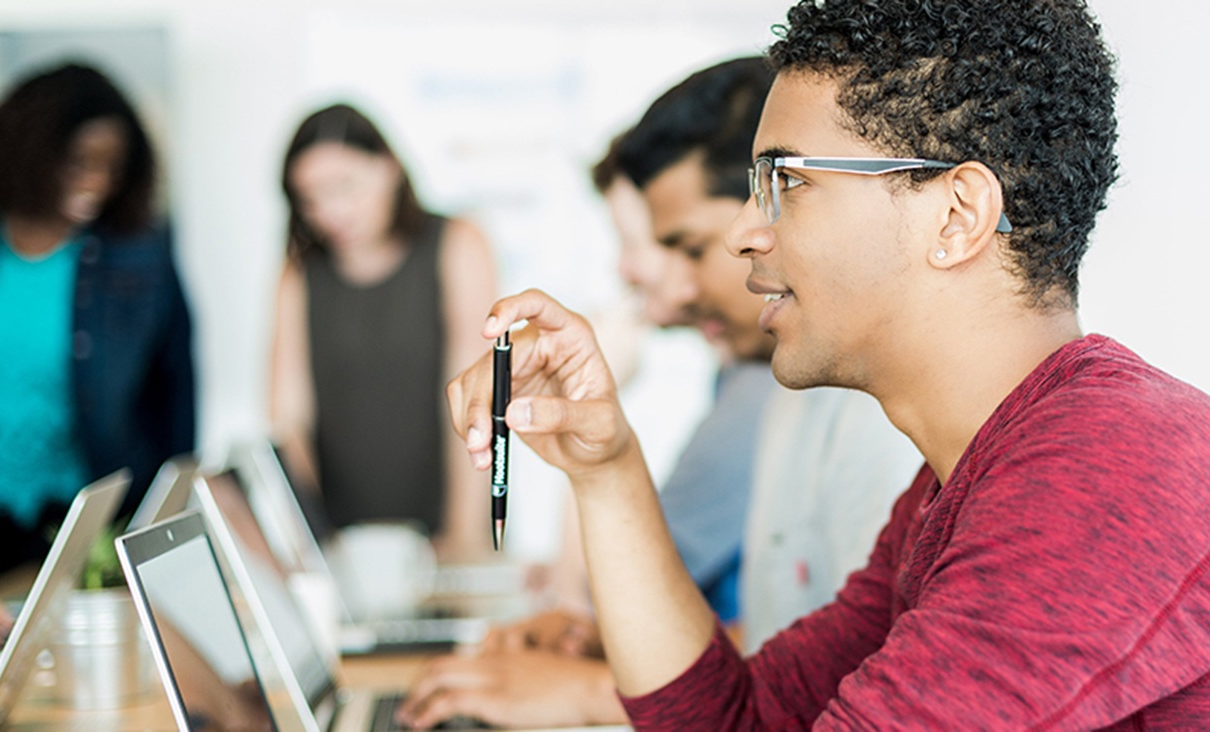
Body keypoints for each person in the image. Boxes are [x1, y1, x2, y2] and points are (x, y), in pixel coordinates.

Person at [432, 0, 1210, 727]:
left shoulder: (1106, 470)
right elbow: (738, 720)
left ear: (956, 215)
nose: (743, 232)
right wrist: (605, 465)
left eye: (787, 182)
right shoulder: (952, 491)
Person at [397, 57, 920, 729]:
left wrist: (584, 690)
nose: (663, 287)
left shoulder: (875, 418)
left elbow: (829, 685)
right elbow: (776, 672)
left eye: (686, 248)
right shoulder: (784, 384)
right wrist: (599, 464)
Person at [0, 62, 195, 579]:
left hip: (82, 531)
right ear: (31, 153)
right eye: (79, 163)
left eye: (112, 167)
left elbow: (175, 410)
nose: (97, 182)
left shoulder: (140, 260)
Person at [269, 103, 496, 560]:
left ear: (390, 168)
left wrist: (461, 539)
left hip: (445, 533)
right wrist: (314, 544)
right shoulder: (300, 272)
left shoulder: (457, 244)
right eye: (310, 198)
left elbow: (477, 404)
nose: (330, 211)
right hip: (342, 545)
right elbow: (288, 420)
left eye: (346, 187)